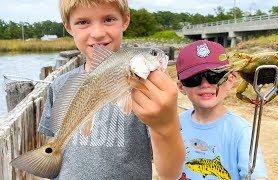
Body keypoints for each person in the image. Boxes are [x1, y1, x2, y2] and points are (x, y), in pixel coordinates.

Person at [38, 0, 185, 179]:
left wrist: (167, 125)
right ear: (68, 27)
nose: (98, 33)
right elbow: (51, 143)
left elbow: (170, 174)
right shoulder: (59, 85)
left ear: (125, 20)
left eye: (108, 19)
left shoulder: (150, 91)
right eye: (83, 22)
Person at [176, 40, 268, 179]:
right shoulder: (175, 124)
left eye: (215, 76)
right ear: (181, 87)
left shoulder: (242, 131)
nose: (205, 84)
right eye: (194, 79)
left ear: (231, 80)